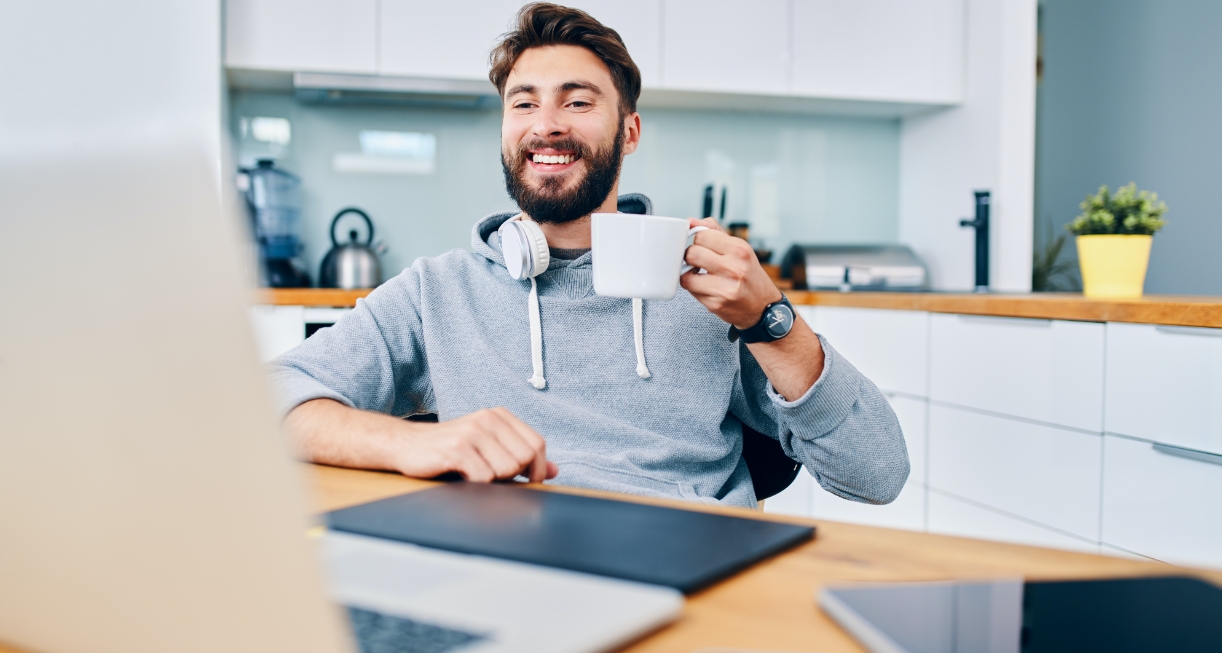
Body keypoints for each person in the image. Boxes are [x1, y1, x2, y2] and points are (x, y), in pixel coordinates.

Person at [272, 2, 908, 508]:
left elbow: (877, 474)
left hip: (691, 565)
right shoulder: (436, 292)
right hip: (511, 564)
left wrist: (771, 319)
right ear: (504, 129)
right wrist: (412, 441)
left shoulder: (712, 291)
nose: (546, 124)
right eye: (524, 103)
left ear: (628, 131)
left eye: (577, 101)